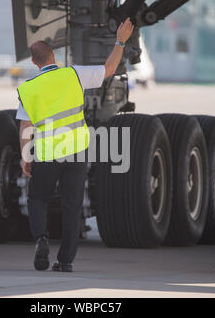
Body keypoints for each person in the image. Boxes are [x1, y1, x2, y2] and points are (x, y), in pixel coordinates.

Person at [17, 18, 134, 272]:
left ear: (34, 62)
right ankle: (65, 261)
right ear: (53, 56)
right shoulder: (74, 74)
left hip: (48, 154)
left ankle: (41, 239)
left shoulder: (29, 89)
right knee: (72, 205)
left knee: (38, 199)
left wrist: (26, 156)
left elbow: (25, 127)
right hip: (76, 152)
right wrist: (120, 41)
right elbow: (109, 69)